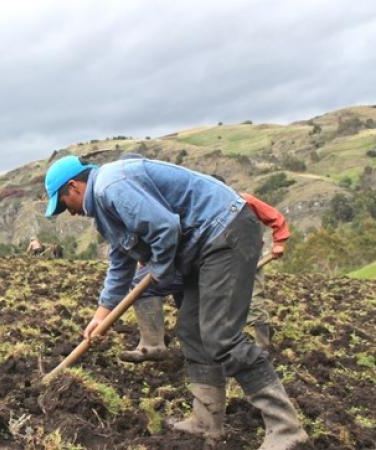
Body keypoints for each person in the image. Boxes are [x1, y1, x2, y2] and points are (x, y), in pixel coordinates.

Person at [43, 155, 307, 449]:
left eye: (64, 204)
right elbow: (120, 260)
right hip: (201, 247)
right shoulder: (105, 206)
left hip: (225, 232)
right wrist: (101, 314)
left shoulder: (111, 186)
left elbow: (164, 228)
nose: (69, 212)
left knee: (221, 336)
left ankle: (287, 430)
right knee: (192, 330)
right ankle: (207, 421)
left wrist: (159, 268)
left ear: (74, 187)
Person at [119, 186, 290, 362]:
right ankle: (198, 342)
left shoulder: (242, 199)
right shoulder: (195, 205)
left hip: (248, 250)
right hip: (213, 253)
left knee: (253, 297)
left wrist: (280, 243)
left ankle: (262, 345)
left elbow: (275, 217)